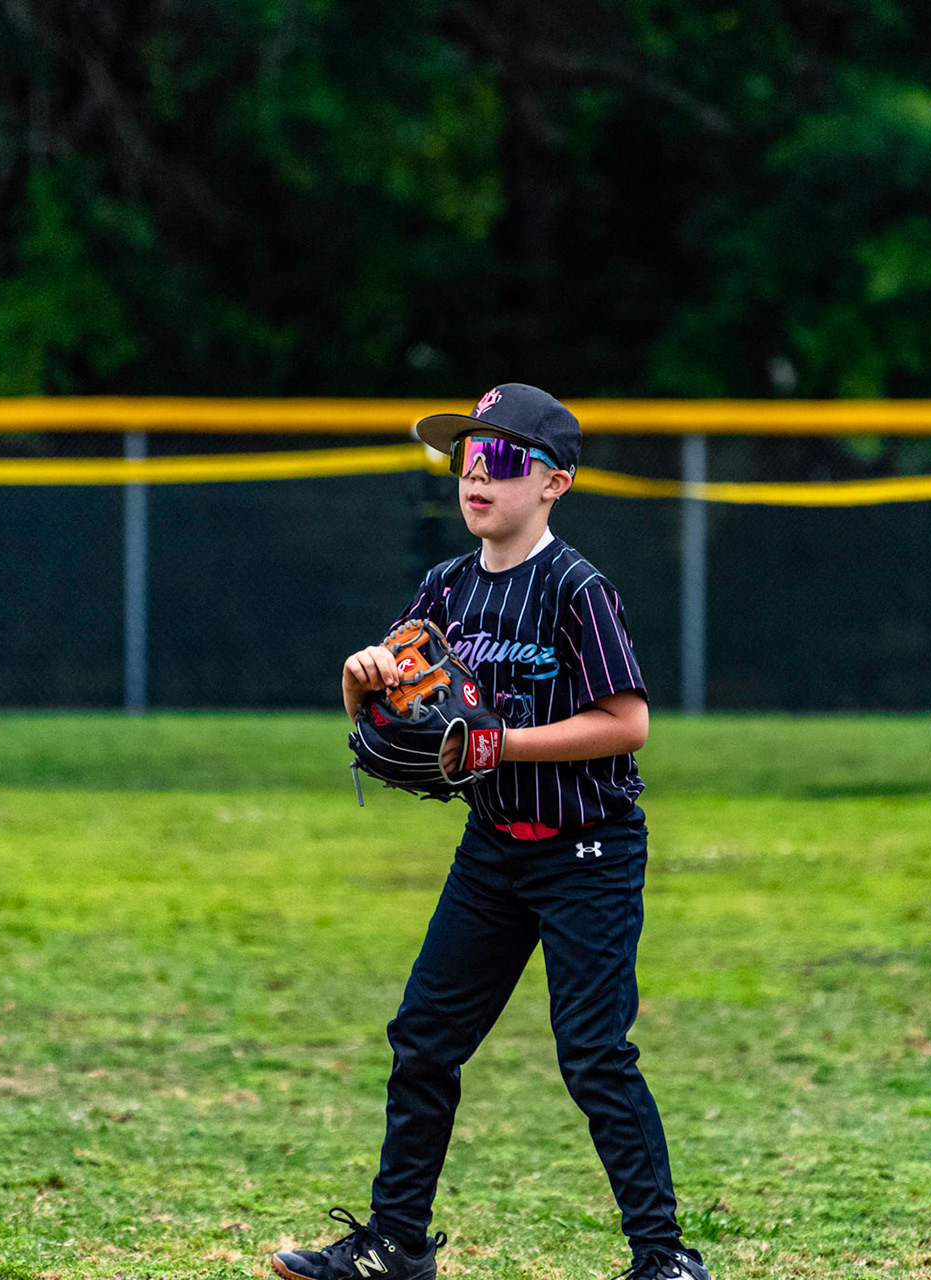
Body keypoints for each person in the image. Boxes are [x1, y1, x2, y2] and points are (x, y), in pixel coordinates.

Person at [271, 385, 710, 1280]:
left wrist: (499, 741)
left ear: (556, 482)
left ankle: (664, 1260)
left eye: (503, 458)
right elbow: (390, 709)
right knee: (424, 1037)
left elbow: (628, 723)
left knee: (593, 1056)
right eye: (467, 455)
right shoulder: (446, 588)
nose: (478, 473)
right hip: (494, 850)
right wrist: (359, 681)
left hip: (587, 849)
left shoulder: (576, 589)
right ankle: (395, 1245)